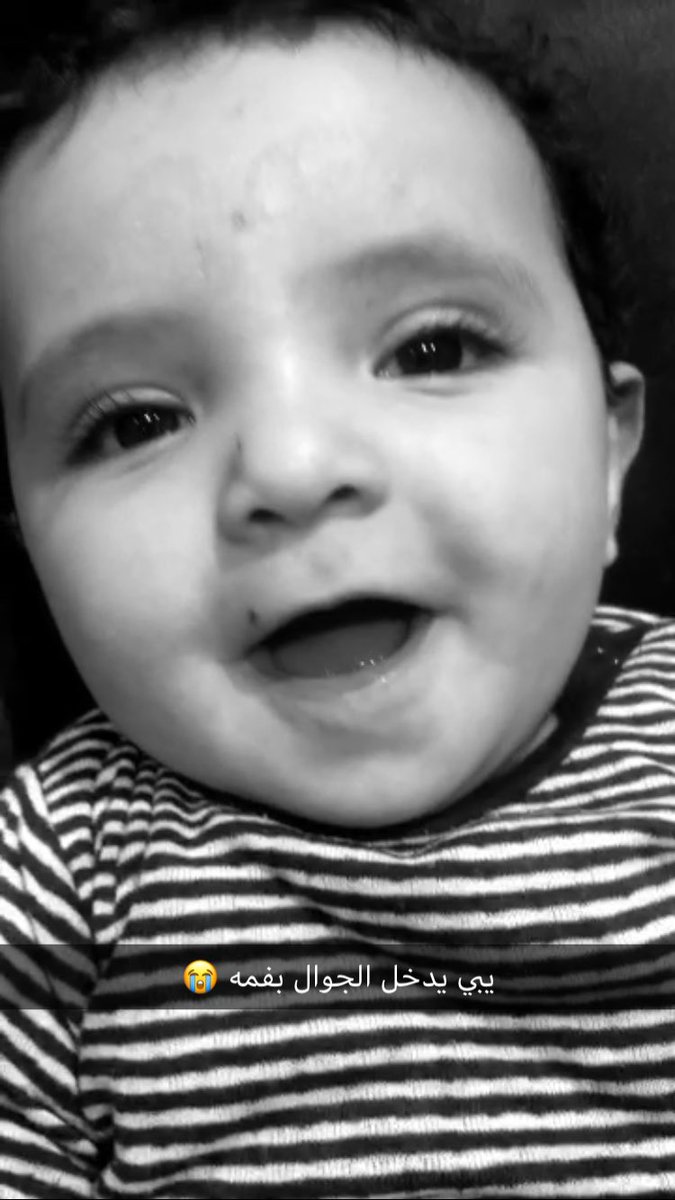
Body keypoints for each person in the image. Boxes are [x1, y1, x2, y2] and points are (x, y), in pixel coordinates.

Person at [0, 1, 673, 1196]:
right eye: (137, 422)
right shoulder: (59, 864)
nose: (293, 470)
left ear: (609, 451)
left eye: (432, 351)